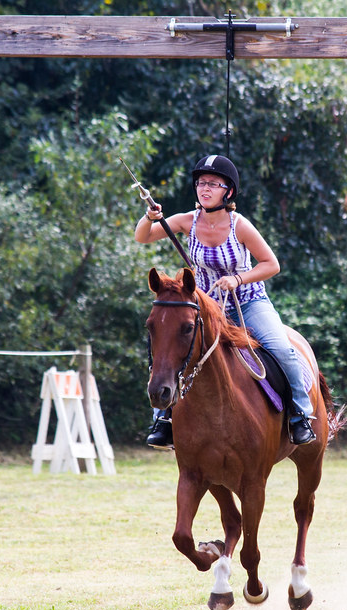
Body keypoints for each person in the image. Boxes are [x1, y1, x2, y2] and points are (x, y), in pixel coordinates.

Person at [134, 154, 316, 448]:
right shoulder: (186, 221)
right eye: (201, 183)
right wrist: (149, 217)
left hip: (249, 303)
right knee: (171, 347)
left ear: (228, 191)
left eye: (213, 184)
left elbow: (271, 264)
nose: (205, 188)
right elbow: (142, 237)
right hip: (208, 308)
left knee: (282, 350)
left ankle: (299, 415)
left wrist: (238, 279)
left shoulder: (239, 225)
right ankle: (163, 419)